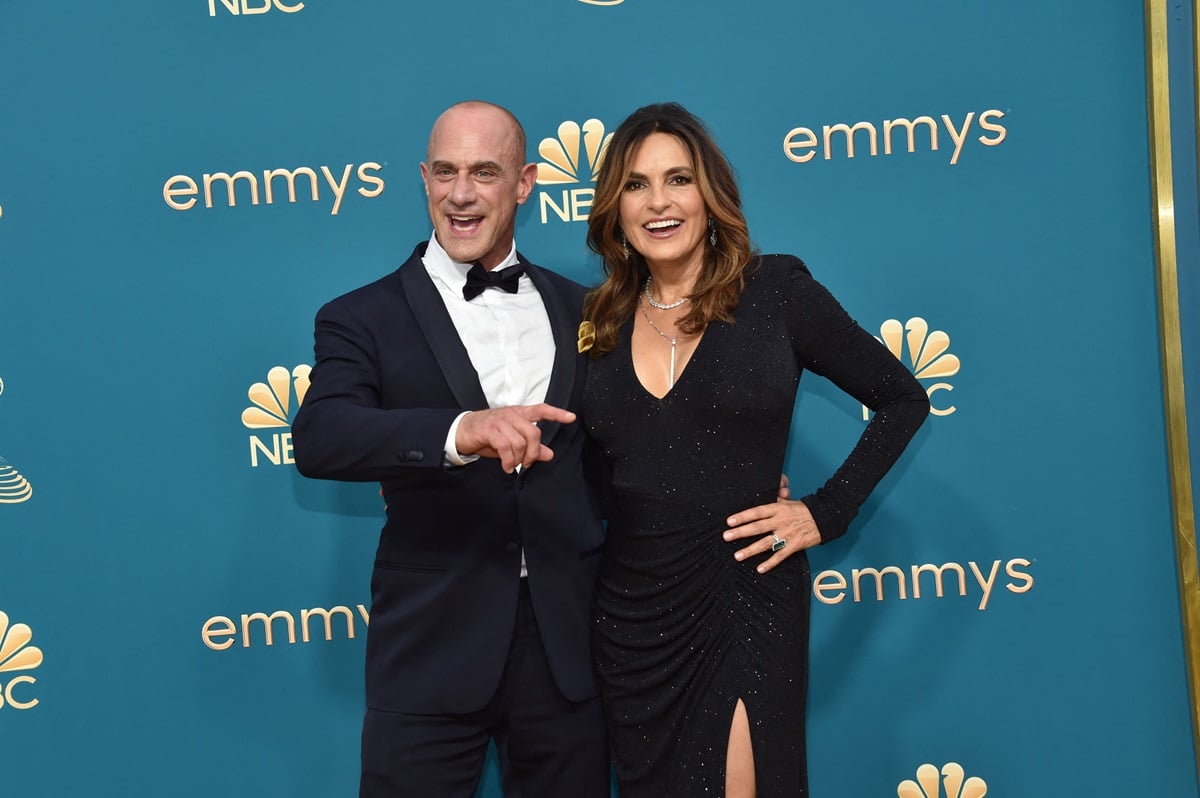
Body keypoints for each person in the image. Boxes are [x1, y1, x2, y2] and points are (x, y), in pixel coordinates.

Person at [580, 102, 930, 798]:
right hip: (630, 620)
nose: (658, 203)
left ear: (710, 196)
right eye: (636, 185)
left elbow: (901, 398)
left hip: (745, 594)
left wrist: (823, 513)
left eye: (677, 179)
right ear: (613, 208)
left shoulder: (775, 293)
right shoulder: (598, 323)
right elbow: (592, 479)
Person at [291, 100, 609, 798]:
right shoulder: (359, 317)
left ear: (525, 182)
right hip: (430, 646)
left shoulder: (588, 311)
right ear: (424, 177)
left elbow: (628, 456)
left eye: (484, 173)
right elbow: (320, 437)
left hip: (566, 648)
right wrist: (458, 432)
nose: (460, 194)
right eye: (445, 172)